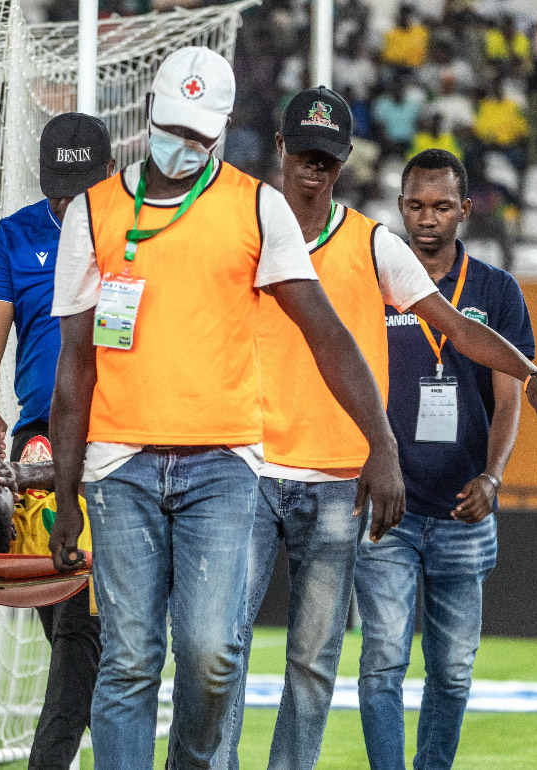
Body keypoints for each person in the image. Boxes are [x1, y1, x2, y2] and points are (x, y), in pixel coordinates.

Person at [45, 46, 408, 770]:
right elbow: (74, 369)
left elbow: (327, 334)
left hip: (223, 466)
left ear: (222, 129)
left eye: (199, 134)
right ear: (149, 113)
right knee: (129, 660)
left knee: (212, 656)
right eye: (172, 128)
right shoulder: (91, 212)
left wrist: (382, 442)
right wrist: (64, 499)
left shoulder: (257, 206)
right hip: (117, 466)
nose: (183, 145)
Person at [227, 90, 537, 770]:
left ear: (344, 162)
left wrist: (530, 375)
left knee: (344, 665)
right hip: (262, 471)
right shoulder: (240, 231)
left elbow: (459, 330)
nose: (313, 167)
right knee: (225, 650)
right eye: (303, 152)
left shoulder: (376, 248)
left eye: (327, 157)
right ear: (280, 148)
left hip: (352, 484)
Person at [356, 148, 537, 770]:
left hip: (463, 510)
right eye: (416, 205)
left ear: (465, 210)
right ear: (400, 207)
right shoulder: (372, 284)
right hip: (389, 509)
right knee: (382, 663)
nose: (428, 218)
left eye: (442, 206)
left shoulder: (496, 290)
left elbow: (507, 398)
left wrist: (493, 477)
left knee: (452, 672)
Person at [0, 111, 114, 770]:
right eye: (58, 191)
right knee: (67, 621)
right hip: (39, 441)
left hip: (119, 439)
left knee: (83, 627)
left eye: (81, 190)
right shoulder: (14, 236)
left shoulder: (138, 234)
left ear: (110, 174)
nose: (68, 204)